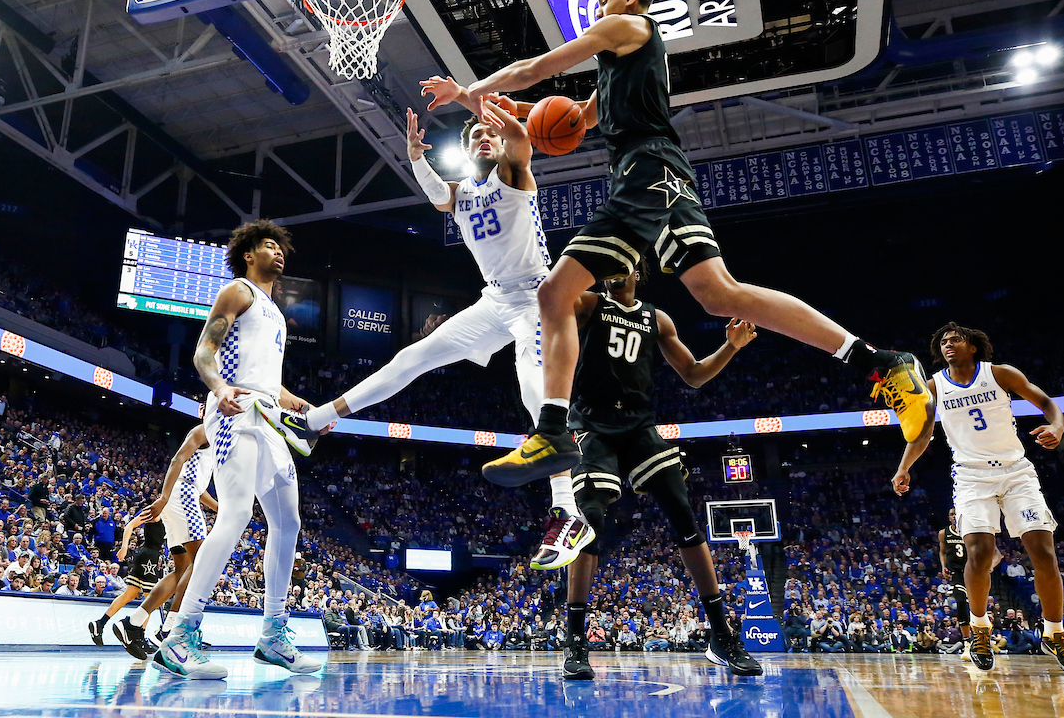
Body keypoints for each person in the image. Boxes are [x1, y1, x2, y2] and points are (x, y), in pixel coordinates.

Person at [421, 0, 931, 489]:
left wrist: (468, 90)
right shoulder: (622, 61)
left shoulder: (629, 27)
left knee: (554, 292)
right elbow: (577, 119)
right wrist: (504, 110)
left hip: (643, 173)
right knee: (718, 294)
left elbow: (537, 67)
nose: (598, 8)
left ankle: (553, 431)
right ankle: (882, 361)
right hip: (664, 173)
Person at [303, 103, 592, 572]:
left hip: (537, 300)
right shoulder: (460, 193)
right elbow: (437, 193)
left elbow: (519, 141)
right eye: (475, 134)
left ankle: (568, 511)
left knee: (532, 386)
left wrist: (478, 103)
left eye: (489, 134)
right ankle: (316, 420)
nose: (484, 138)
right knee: (412, 357)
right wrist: (416, 157)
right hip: (493, 302)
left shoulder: (514, 176)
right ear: (463, 149)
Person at [558, 261, 762, 680]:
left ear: (639, 271)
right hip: (592, 426)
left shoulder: (657, 318)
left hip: (638, 426)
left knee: (683, 516)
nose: (615, 268)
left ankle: (721, 635)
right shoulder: (589, 303)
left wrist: (731, 347)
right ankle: (575, 640)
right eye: (608, 261)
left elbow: (693, 374)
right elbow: (553, 295)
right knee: (590, 518)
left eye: (624, 262)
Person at [156, 220, 322, 679]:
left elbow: (269, 380)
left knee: (288, 521)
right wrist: (218, 388)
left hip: (268, 414)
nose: (278, 252)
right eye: (269, 246)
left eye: (280, 246)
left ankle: (273, 634)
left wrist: (301, 407)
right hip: (235, 410)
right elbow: (204, 352)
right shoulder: (238, 291)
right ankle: (179, 636)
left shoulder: (273, 311)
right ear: (249, 254)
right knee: (235, 515)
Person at [892, 322, 1064, 674]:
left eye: (956, 339)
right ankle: (979, 630)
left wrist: (1058, 427)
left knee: (1043, 551)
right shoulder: (934, 386)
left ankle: (1055, 633)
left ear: (974, 346)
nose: (949, 344)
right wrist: (904, 468)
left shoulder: (1000, 374)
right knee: (979, 553)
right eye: (944, 341)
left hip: (1016, 471)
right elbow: (922, 435)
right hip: (971, 476)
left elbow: (1046, 403)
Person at [110, 424, 219, 659]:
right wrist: (164, 497)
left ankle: (133, 623)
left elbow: (201, 490)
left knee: (183, 570)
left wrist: (220, 509)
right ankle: (169, 629)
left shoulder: (216, 441)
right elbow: (176, 461)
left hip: (185, 496)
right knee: (202, 563)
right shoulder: (205, 430)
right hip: (182, 496)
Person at [88, 509, 166, 657]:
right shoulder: (156, 512)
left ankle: (100, 623)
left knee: (129, 595)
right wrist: (124, 547)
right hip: (149, 556)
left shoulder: (166, 515)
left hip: (148, 555)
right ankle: (139, 637)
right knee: (151, 601)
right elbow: (130, 525)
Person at [939, 507, 1001, 661]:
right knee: (960, 602)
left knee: (977, 607)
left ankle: (982, 639)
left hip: (974, 572)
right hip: (957, 573)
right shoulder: (943, 533)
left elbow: (997, 554)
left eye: (955, 513)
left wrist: (990, 566)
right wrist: (943, 566)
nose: (953, 516)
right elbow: (942, 552)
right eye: (951, 514)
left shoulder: (974, 531)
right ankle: (967, 642)